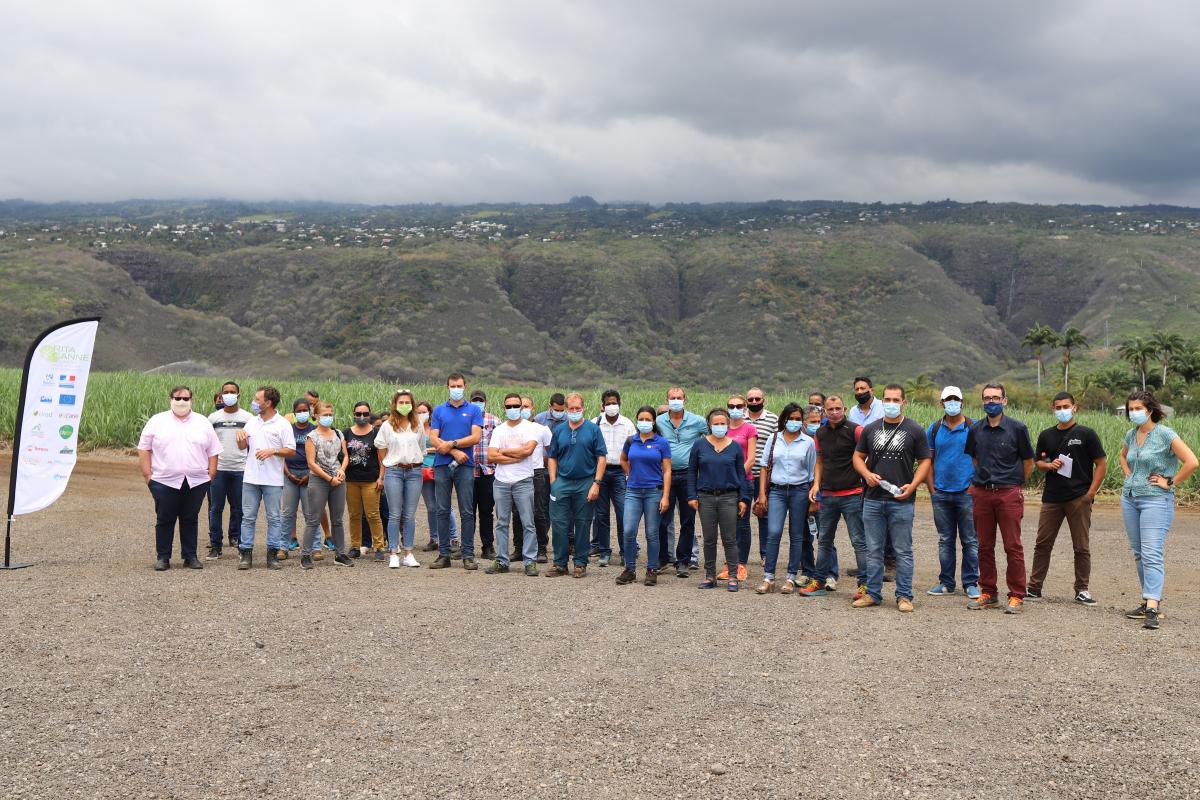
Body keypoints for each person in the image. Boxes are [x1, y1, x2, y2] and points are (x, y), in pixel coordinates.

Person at [1118, 390, 1197, 629]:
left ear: (1150, 410)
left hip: (1155, 500)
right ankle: (1148, 601)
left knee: (1151, 552)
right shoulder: (1131, 435)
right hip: (1130, 498)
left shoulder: (1165, 434)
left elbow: (1192, 462)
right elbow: (1123, 457)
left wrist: (1170, 481)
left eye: (1137, 409)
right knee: (1139, 552)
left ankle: (1152, 606)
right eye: (1130, 409)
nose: (1133, 413)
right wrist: (1130, 476)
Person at [851, 384, 930, 612]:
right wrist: (866, 474)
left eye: (896, 400)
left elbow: (925, 460)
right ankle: (873, 594)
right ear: (881, 401)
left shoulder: (915, 429)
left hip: (901, 500)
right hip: (873, 499)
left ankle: (904, 596)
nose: (891, 404)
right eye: (887, 399)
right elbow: (857, 456)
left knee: (902, 550)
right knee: (873, 549)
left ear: (904, 402)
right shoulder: (871, 429)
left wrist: (914, 484)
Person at [1027, 391, 1108, 605]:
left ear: (1075, 407)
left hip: (1078, 497)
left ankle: (1082, 589)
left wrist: (1090, 494)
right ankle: (1034, 588)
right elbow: (1040, 462)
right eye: (1058, 407)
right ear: (1053, 409)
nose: (1062, 410)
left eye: (1066, 406)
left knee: (1081, 546)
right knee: (1042, 544)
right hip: (1052, 497)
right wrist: (1048, 465)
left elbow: (1101, 463)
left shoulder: (1086, 434)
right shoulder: (1046, 435)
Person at [965, 383, 1035, 614]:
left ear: (1005, 401)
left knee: (1012, 546)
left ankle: (1016, 595)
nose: (991, 402)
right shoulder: (975, 430)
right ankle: (988, 592)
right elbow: (975, 458)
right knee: (984, 546)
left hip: (1008, 493)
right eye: (987, 398)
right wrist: (983, 482)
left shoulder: (1017, 428)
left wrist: (1015, 484)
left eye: (996, 398)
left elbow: (1028, 462)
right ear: (982, 401)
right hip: (983, 493)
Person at [138, 385, 222, 570]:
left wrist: (211, 474)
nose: (181, 402)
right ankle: (163, 557)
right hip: (163, 480)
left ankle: (190, 556)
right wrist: (148, 476)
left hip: (196, 480)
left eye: (186, 398)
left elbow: (213, 450)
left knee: (190, 518)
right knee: (164, 519)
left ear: (192, 400)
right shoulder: (157, 421)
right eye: (178, 398)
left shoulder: (202, 422)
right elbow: (144, 448)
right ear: (170, 399)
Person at [806, 396, 869, 599]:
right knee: (824, 540)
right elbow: (819, 461)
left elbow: (867, 456)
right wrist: (816, 484)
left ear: (844, 408)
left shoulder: (856, 430)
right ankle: (819, 581)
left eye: (838, 408)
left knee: (858, 541)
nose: (834, 412)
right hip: (828, 494)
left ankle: (865, 585)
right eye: (830, 409)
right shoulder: (821, 433)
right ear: (824, 411)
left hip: (853, 494)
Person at [924, 386, 980, 598]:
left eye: (956, 399)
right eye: (949, 399)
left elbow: (982, 459)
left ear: (962, 402)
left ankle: (971, 583)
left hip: (967, 493)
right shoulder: (935, 429)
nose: (953, 403)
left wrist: (974, 485)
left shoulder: (974, 427)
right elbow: (927, 460)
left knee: (970, 540)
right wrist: (932, 487)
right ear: (942, 404)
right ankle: (946, 582)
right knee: (945, 539)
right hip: (941, 493)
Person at [754, 402, 816, 594]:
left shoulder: (808, 442)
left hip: (799, 491)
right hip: (777, 491)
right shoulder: (774, 439)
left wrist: (813, 492)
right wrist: (763, 493)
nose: (794, 422)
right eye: (791, 419)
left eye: (798, 419)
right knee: (773, 532)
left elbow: (812, 469)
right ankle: (768, 577)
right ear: (784, 419)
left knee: (797, 534)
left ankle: (790, 577)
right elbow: (764, 466)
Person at [688, 409, 751, 591]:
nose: (719, 427)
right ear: (709, 425)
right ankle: (710, 575)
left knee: (730, 538)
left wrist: (743, 498)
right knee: (709, 538)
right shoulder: (699, 445)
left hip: (729, 497)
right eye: (716, 424)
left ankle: (733, 576)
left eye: (723, 423)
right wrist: (692, 495)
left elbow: (742, 474)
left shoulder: (735, 447)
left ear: (728, 424)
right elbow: (692, 471)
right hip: (706, 497)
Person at [545, 393, 606, 578]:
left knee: (582, 523)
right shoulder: (560, 430)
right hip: (562, 482)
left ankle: (580, 563)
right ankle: (560, 563)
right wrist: (553, 481)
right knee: (559, 524)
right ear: (565, 409)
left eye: (577, 408)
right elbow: (552, 457)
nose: (574, 412)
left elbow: (601, 457)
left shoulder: (593, 429)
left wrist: (596, 483)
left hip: (585, 481)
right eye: (570, 409)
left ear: (583, 408)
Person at [236, 386, 297, 570]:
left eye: (257, 399)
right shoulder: (251, 422)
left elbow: (291, 450)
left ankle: (272, 555)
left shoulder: (282, 424)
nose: (254, 402)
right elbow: (242, 446)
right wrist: (239, 439)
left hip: (272, 480)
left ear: (268, 403)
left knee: (274, 518)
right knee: (248, 517)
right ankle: (246, 554)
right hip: (251, 478)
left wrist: (274, 450)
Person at [428, 373, 483, 570]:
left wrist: (452, 443)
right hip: (442, 465)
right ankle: (444, 554)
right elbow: (433, 437)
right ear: (447, 387)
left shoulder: (474, 410)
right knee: (441, 510)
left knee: (467, 511)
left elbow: (475, 436)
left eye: (459, 385)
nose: (456, 388)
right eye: (453, 385)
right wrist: (454, 450)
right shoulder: (439, 411)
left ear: (465, 387)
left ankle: (468, 554)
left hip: (465, 466)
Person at [485, 392, 543, 576]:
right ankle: (502, 560)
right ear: (504, 408)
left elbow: (528, 451)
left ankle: (530, 560)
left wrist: (504, 453)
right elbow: (491, 455)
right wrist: (514, 457)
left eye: (515, 406)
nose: (512, 409)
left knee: (528, 522)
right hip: (501, 482)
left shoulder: (530, 428)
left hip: (523, 481)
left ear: (521, 407)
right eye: (508, 406)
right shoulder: (499, 430)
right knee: (502, 522)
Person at [617, 405, 672, 586]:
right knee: (629, 530)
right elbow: (623, 460)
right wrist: (630, 473)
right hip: (633, 491)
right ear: (637, 420)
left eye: (648, 419)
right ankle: (630, 569)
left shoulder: (661, 442)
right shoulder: (630, 440)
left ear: (654, 421)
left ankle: (651, 569)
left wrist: (665, 495)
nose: (644, 422)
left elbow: (667, 470)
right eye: (641, 419)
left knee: (652, 533)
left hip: (653, 492)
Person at [656, 387, 708, 577]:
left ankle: (684, 561)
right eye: (672, 398)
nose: (675, 400)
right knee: (662, 519)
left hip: (689, 476)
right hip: (665, 476)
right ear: (667, 400)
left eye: (679, 398)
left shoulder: (697, 421)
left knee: (687, 520)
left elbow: (711, 437)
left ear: (685, 401)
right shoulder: (658, 421)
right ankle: (663, 558)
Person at [300, 401, 353, 569]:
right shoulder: (312, 437)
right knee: (313, 518)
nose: (328, 417)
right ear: (316, 416)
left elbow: (344, 455)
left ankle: (340, 553)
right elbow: (311, 463)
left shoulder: (338, 434)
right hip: (319, 480)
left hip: (338, 479)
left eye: (330, 414)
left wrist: (342, 470)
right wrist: (329, 479)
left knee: (337, 519)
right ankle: (305, 554)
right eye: (325, 415)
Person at [375, 390, 425, 569]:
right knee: (395, 514)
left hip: (414, 471)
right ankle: (393, 552)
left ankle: (409, 553)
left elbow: (422, 447)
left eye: (407, 402)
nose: (404, 405)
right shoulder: (387, 425)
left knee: (410, 514)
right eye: (401, 402)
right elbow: (382, 449)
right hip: (394, 471)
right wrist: (382, 473)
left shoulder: (418, 423)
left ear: (412, 404)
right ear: (395, 404)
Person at [207, 381, 253, 559]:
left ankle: (241, 544)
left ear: (239, 395)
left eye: (232, 392)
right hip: (218, 470)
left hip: (241, 470)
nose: (229, 395)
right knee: (215, 508)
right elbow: (207, 445)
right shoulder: (213, 418)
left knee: (240, 509)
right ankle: (216, 546)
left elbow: (252, 444)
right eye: (226, 392)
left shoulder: (248, 418)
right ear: (221, 395)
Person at [718, 394, 757, 582]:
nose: (735, 408)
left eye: (739, 405)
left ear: (745, 407)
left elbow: (751, 458)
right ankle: (729, 564)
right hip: (722, 483)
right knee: (727, 525)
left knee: (742, 525)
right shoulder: (721, 429)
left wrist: (737, 476)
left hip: (743, 482)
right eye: (731, 405)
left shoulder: (749, 429)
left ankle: (741, 564)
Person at [592, 388, 633, 567]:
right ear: (602, 405)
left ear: (619, 404)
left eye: (614, 403)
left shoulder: (627, 424)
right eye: (608, 403)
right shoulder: (595, 424)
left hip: (619, 472)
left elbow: (634, 449)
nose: (611, 406)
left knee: (623, 513)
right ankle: (604, 551)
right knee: (601, 514)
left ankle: (625, 551)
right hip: (600, 472)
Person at [512, 395, 552, 563]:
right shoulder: (510, 428)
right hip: (517, 472)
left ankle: (541, 548)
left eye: (527, 406)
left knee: (539, 512)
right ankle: (519, 548)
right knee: (517, 512)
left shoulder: (542, 429)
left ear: (533, 409)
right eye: (520, 406)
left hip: (537, 472)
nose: (524, 409)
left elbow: (551, 453)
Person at [344, 401, 385, 561]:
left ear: (370, 414)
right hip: (351, 480)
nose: (362, 417)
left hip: (371, 480)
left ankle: (379, 546)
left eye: (365, 414)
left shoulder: (376, 433)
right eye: (358, 414)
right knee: (354, 514)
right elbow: (344, 456)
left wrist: (381, 477)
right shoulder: (346, 433)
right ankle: (355, 546)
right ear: (353, 414)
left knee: (373, 514)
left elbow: (382, 458)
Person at [417, 401, 459, 553]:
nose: (422, 415)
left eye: (424, 412)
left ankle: (453, 538)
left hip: (439, 466)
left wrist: (428, 450)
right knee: (431, 507)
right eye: (419, 412)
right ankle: (434, 538)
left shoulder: (437, 428)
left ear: (430, 412)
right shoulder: (415, 429)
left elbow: (444, 446)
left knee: (445, 504)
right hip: (422, 470)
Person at [281, 398, 318, 559]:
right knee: (288, 513)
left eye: (305, 410)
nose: (302, 413)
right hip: (290, 475)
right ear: (294, 413)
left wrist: (310, 474)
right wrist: (288, 474)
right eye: (299, 411)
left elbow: (319, 456)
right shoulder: (287, 430)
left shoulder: (315, 430)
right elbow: (281, 454)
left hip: (310, 475)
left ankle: (315, 548)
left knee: (310, 513)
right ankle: (283, 547)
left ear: (310, 412)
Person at [745, 387, 778, 564]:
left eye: (758, 399)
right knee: (740, 514)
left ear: (763, 399)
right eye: (751, 399)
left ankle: (765, 553)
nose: (754, 402)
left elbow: (776, 445)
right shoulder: (738, 418)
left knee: (764, 514)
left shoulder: (773, 419)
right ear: (746, 400)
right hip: (742, 475)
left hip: (763, 475)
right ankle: (741, 553)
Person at [471, 390, 499, 560]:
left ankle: (487, 546)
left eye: (480, 400)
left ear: (485, 402)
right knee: (468, 512)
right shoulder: (465, 419)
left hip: (488, 471)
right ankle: (466, 547)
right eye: (474, 400)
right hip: (468, 471)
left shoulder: (494, 420)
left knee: (487, 511)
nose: (477, 403)